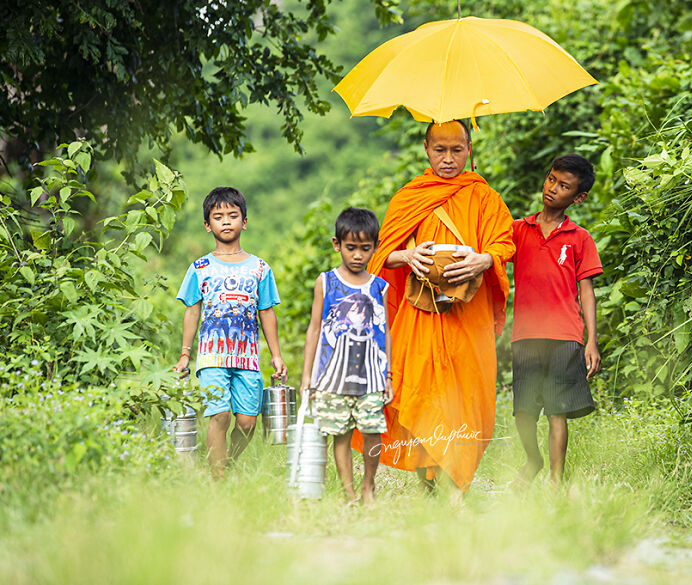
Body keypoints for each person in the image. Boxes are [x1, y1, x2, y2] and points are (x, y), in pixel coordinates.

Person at [352, 120, 515, 496]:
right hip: (420, 312)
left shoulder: (484, 197)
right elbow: (378, 256)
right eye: (440, 150)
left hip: (467, 312)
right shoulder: (410, 196)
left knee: (466, 391)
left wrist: (483, 261)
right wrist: (408, 255)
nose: (448, 159)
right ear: (426, 149)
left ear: (469, 149)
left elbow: (503, 243)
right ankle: (430, 480)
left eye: (457, 150)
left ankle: (456, 481)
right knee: (423, 388)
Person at [173, 187, 287, 479]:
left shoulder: (260, 268)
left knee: (248, 422)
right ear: (207, 225)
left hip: (247, 358)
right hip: (211, 357)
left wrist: (276, 356)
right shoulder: (200, 268)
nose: (226, 222)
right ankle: (218, 479)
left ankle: (227, 460)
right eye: (218, 217)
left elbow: (267, 312)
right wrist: (186, 355)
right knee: (220, 415)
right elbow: (192, 311)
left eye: (233, 216)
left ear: (244, 222)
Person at [510, 154, 602, 486]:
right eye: (551, 179)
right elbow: (490, 253)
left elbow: (587, 291)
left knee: (556, 410)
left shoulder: (580, 238)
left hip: (564, 335)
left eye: (564, 186)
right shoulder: (519, 230)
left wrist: (591, 341)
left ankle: (554, 479)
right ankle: (532, 460)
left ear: (578, 197)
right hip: (525, 334)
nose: (552, 189)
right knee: (523, 411)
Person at [300, 208, 393, 503]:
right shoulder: (325, 282)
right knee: (339, 433)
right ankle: (349, 491)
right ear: (336, 244)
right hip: (331, 375)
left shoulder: (380, 287)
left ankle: (369, 484)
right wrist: (308, 376)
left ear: (375, 247)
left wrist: (388, 374)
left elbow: (385, 332)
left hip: (372, 375)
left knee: (372, 430)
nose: (357, 256)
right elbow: (314, 329)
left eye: (365, 249)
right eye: (351, 248)